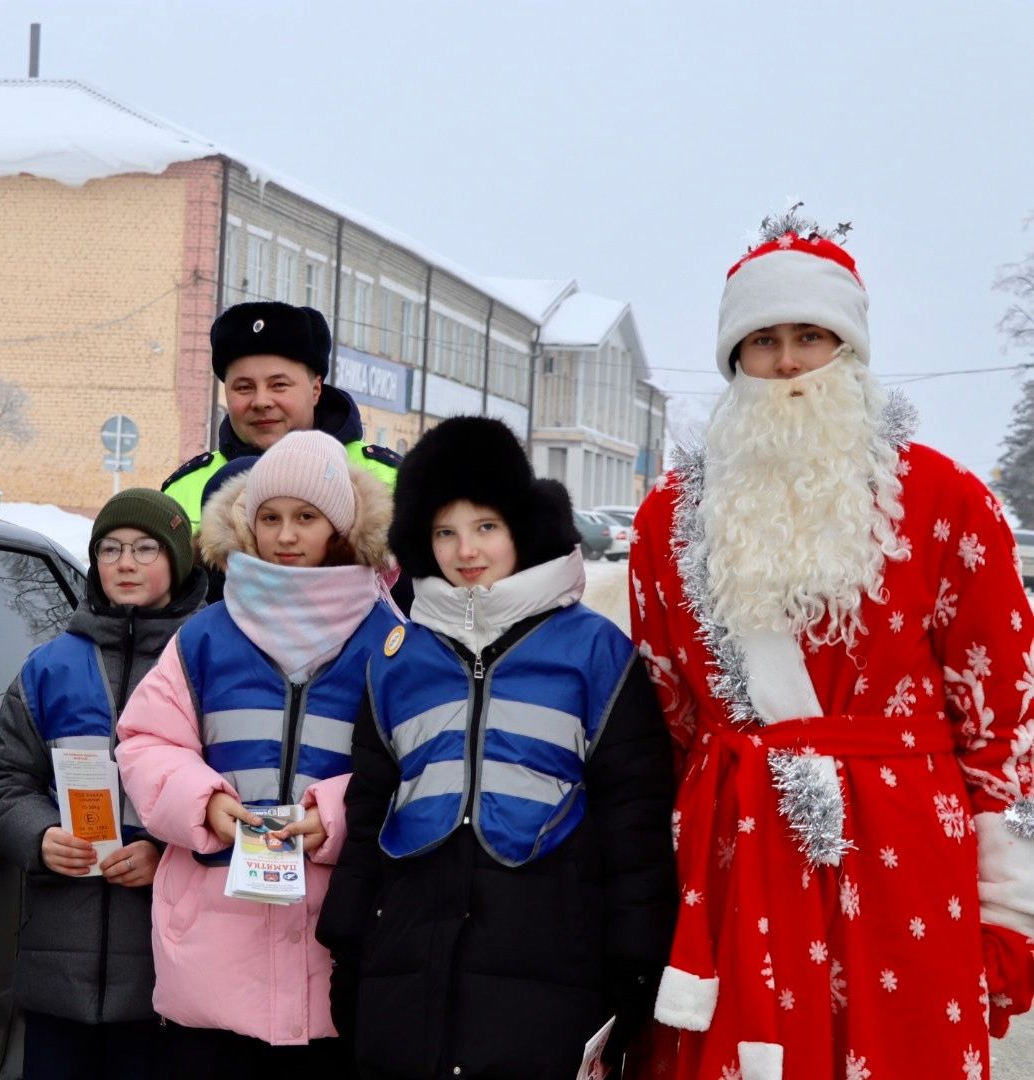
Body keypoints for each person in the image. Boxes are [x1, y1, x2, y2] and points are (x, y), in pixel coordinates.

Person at [630, 208, 1034, 1079]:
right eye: (762, 340)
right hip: (736, 850)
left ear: (849, 351)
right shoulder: (670, 518)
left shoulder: (944, 500)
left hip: (907, 858)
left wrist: (1008, 903)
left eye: (810, 337)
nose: (786, 364)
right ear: (733, 360)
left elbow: (1004, 711)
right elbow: (666, 706)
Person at [317, 416, 678, 1079]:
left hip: (552, 960)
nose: (466, 550)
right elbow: (368, 812)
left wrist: (636, 955)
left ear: (520, 528)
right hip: (411, 962)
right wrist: (346, 945)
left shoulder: (594, 651)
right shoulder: (394, 660)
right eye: (445, 532)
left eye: (485, 526)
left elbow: (636, 815)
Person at [116, 430, 399, 1075]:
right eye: (269, 517)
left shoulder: (390, 639)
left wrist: (336, 812)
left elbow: (419, 764)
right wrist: (205, 802)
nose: (286, 535)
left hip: (338, 942)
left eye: (307, 517)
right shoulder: (204, 637)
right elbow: (146, 741)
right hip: (216, 949)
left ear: (342, 528)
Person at [0, 488, 208, 1080]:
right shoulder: (48, 667)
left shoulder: (209, 664)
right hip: (58, 974)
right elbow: (2, 778)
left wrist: (168, 855)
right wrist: (40, 835)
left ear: (178, 562)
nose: (125, 562)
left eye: (145, 548)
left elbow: (232, 797)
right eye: (109, 548)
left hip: (167, 977)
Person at [162, 301, 400, 531]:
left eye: (278, 385)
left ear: (315, 389)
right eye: (244, 387)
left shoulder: (390, 480)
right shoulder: (184, 489)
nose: (261, 402)